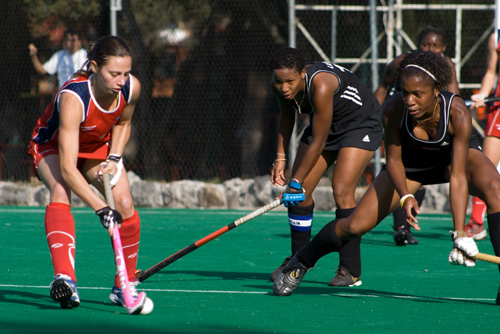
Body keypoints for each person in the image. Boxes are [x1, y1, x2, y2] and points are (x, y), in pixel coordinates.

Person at [272, 50, 500, 305]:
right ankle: (301, 261)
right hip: (410, 166)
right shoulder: (393, 109)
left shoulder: (456, 111)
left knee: (495, 189)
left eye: (418, 94)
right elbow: (393, 161)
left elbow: (458, 176)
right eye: (405, 92)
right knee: (354, 225)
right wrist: (405, 196)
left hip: (452, 161)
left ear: (436, 91)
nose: (409, 100)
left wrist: (459, 233)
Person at [28, 35, 146, 310]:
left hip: (95, 147)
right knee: (60, 190)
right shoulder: (74, 97)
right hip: (52, 146)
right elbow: (69, 170)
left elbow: (123, 123)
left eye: (126, 73)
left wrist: (115, 158)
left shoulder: (131, 88)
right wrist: (102, 208)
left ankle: (124, 284)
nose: (122, 80)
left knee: (126, 203)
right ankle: (65, 279)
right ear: (94, 67)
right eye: (114, 73)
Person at [269, 47, 383, 287]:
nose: (284, 88)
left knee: (341, 190)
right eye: (279, 82)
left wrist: (296, 182)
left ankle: (350, 269)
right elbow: (287, 117)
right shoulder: (279, 85)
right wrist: (280, 158)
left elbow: (319, 142)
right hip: (326, 123)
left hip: (359, 123)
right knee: (299, 197)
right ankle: (298, 263)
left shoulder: (320, 85)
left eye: (290, 81)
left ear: (302, 73)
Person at [374, 24, 461, 246]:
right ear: (418, 45)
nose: (430, 49)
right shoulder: (402, 62)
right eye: (426, 44)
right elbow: (384, 85)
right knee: (402, 171)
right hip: (402, 120)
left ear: (444, 47)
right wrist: (373, 114)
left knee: (418, 181)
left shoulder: (445, 65)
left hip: (424, 123)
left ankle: (405, 225)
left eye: (436, 45)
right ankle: (401, 227)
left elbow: (454, 95)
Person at [466, 31, 500, 241]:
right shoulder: (495, 37)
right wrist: (483, 94)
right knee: (485, 164)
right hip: (498, 108)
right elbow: (490, 72)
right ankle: (477, 222)